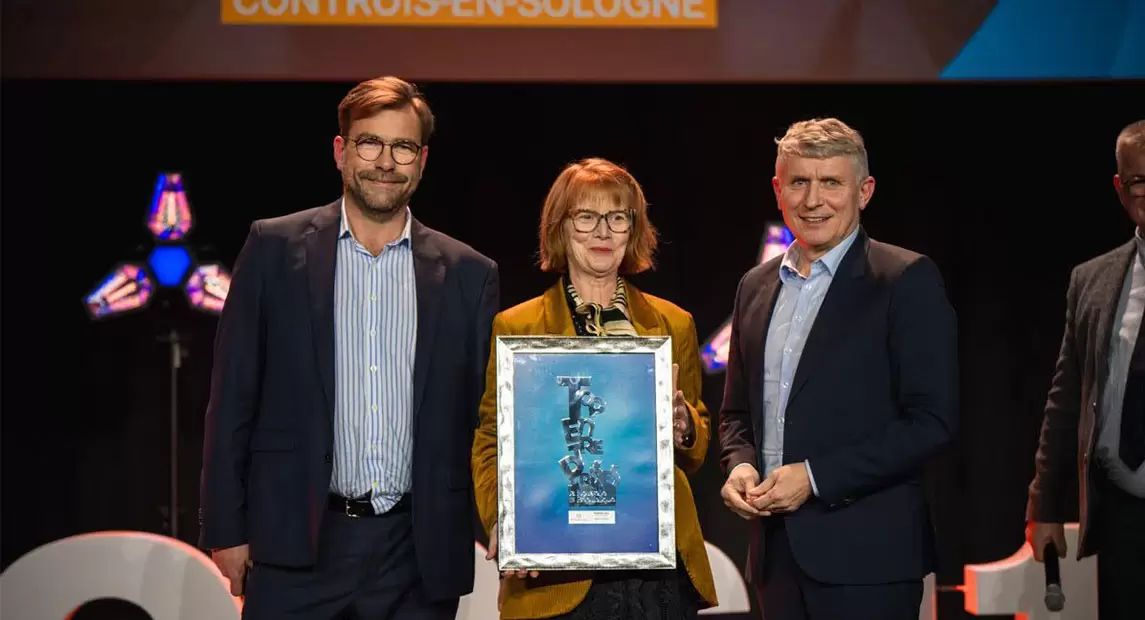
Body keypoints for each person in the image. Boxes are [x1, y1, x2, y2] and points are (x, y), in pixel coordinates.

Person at [198, 76, 500, 620]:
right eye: (370, 143)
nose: (385, 161)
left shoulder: (469, 274)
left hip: (417, 554)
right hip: (296, 545)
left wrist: (510, 517)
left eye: (402, 147)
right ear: (341, 152)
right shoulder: (273, 249)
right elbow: (232, 396)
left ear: (422, 161)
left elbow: (488, 420)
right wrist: (226, 526)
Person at [717, 118, 958, 619]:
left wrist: (813, 478)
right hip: (775, 560)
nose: (813, 200)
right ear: (778, 190)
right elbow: (736, 415)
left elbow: (931, 423)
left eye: (831, 182)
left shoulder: (904, 279)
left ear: (863, 192)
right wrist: (740, 465)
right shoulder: (755, 286)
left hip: (868, 560)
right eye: (799, 182)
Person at [470, 158, 719, 619]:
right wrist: (503, 519)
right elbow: (490, 441)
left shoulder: (672, 323)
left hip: (654, 577)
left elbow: (696, 446)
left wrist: (685, 426)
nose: (602, 231)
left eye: (617, 217)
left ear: (632, 229)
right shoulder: (518, 326)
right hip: (557, 572)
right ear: (561, 227)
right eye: (586, 216)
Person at [1026, 119, 1145, 620]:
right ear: (1120, 188)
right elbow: (1066, 399)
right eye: (1140, 181)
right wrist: (1045, 505)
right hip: (1121, 519)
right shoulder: (1091, 281)